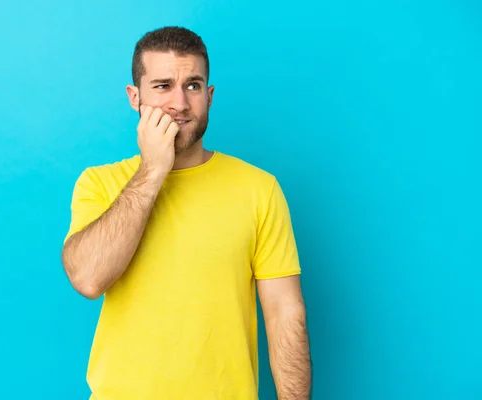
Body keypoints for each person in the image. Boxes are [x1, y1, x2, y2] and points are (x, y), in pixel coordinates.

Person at [61, 26, 312, 400]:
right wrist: (152, 172)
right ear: (135, 97)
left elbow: (284, 314)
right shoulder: (99, 183)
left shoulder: (259, 189)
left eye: (192, 86)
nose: (179, 103)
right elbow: (88, 279)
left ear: (209, 96)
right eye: (162, 86)